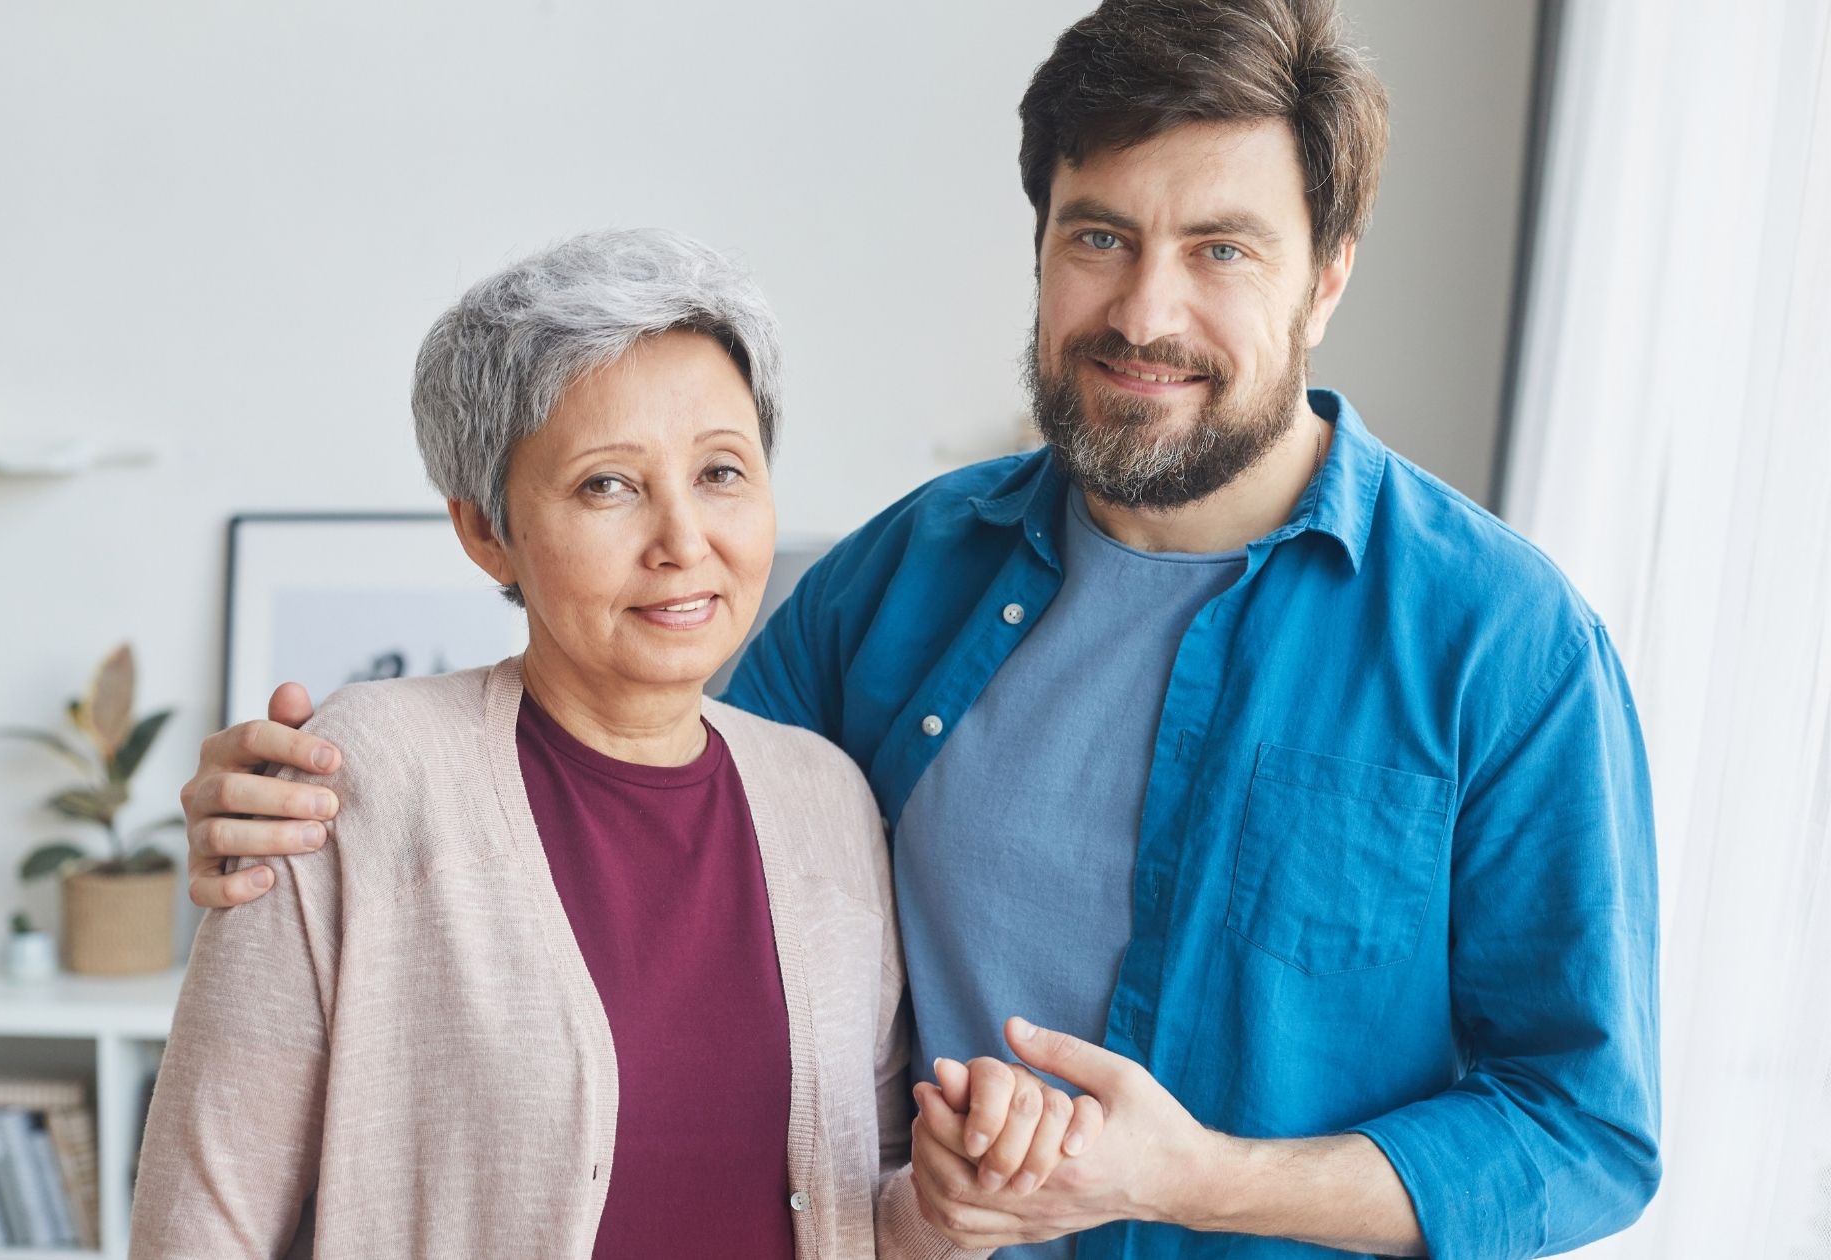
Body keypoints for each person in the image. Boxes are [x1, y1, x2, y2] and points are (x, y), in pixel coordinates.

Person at [179, 3, 1660, 1256]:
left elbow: (1582, 1127)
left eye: (1223, 249)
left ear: (1328, 275)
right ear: (1040, 246)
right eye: (1100, 235)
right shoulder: (902, 580)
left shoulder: (1501, 645)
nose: (1145, 310)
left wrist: (1191, 1173)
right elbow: (638, 793)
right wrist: (303, 825)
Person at [131, 228, 1076, 1259]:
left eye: (720, 471)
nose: (682, 541)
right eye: (606, 486)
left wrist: (946, 1202)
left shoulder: (827, 802)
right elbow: (200, 1222)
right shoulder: (356, 780)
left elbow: (862, 1210)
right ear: (484, 530)